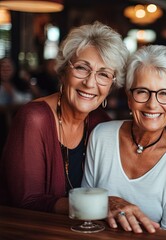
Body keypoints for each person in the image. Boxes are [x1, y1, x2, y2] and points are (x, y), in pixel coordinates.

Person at [0, 21, 129, 214]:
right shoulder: (34, 118)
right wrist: (97, 205)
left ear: (111, 85)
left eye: (103, 74)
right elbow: (26, 202)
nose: (89, 83)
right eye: (82, 68)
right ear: (63, 73)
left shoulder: (101, 123)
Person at [81, 45, 166, 233]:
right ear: (129, 98)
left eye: (164, 94)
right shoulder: (101, 136)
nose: (152, 104)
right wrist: (107, 203)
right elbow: (83, 212)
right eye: (142, 91)